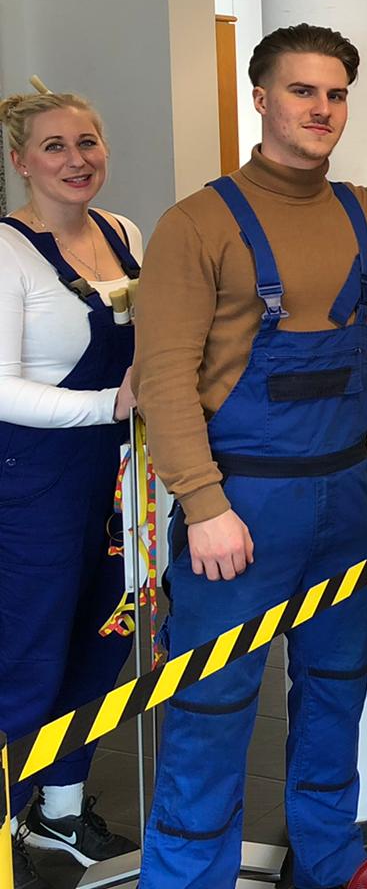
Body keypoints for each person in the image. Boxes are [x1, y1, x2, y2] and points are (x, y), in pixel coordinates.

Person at [133, 24, 367, 888]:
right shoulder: (195, 224)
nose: (321, 109)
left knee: (335, 691)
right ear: (261, 99)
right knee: (212, 707)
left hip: (346, 495)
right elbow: (165, 382)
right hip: (240, 504)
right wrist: (204, 505)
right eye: (301, 91)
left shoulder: (365, 211)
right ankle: (186, 881)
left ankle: (329, 867)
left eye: (335, 95)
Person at [0, 90, 141, 885]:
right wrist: (108, 405)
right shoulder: (7, 251)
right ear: (20, 161)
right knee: (29, 653)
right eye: (53, 146)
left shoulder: (123, 233)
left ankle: (59, 811)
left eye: (87, 141)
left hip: (118, 479)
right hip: (34, 484)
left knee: (101, 643)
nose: (75, 159)